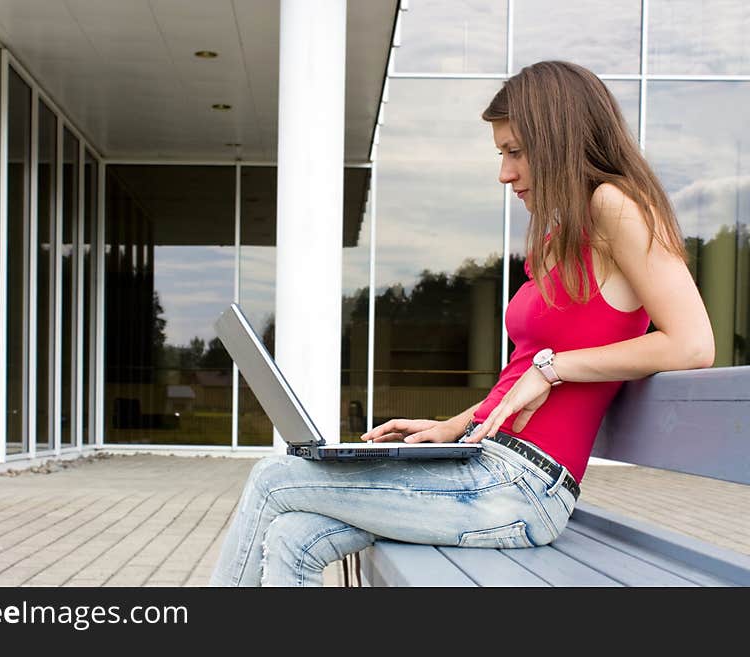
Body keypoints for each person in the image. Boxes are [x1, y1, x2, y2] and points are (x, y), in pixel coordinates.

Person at [208, 60, 715, 587]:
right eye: (502, 154)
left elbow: (693, 343)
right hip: (485, 460)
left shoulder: (614, 206)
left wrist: (554, 367)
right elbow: (524, 376)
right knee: (293, 535)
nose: (505, 173)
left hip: (523, 488)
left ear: (561, 139)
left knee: (273, 478)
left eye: (515, 151)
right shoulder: (556, 238)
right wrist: (452, 427)